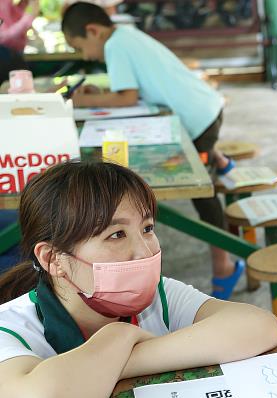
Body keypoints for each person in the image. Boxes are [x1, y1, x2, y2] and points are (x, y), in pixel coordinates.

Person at [0, 161, 277, 398]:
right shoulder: (12, 328)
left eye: (147, 228)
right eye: (116, 235)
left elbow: (258, 327)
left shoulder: (157, 298)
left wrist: (121, 360)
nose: (145, 251)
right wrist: (119, 336)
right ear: (52, 259)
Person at [60, 2, 243, 299]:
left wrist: (83, 102)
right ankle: (221, 161)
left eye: (80, 46)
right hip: (202, 108)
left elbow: (128, 98)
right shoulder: (125, 35)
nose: (85, 56)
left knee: (202, 191)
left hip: (199, 121)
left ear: (93, 31)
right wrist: (102, 96)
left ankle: (224, 266)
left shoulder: (115, 46)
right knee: (203, 156)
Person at [0, 0, 38, 84]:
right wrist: (31, 16)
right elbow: (4, 37)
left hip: (15, 54)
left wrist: (24, 5)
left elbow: (13, 19)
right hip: (5, 57)